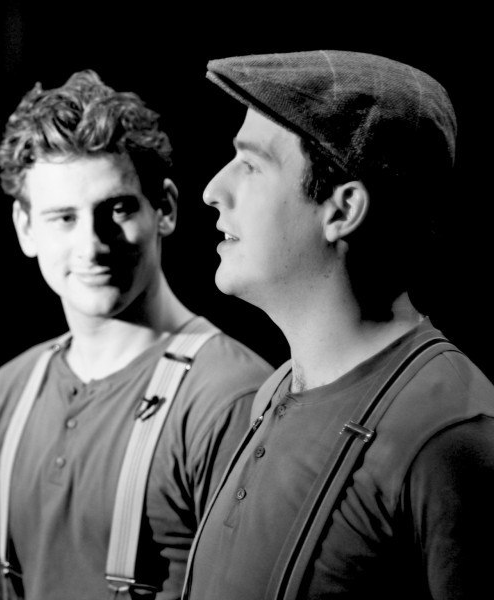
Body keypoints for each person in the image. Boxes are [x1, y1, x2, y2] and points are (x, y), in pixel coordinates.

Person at [0, 70, 271, 600]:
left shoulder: (229, 396)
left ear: (163, 208)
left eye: (115, 209)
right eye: (63, 218)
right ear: (25, 228)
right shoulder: (10, 390)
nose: (91, 245)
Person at [183, 50, 494, 599]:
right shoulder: (275, 391)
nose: (213, 189)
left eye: (250, 164)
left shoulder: (449, 435)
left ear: (342, 210)